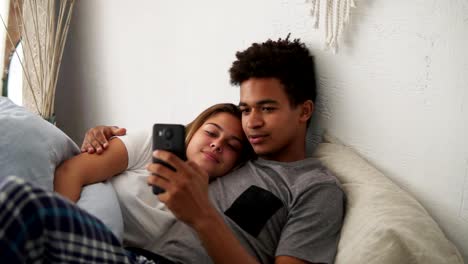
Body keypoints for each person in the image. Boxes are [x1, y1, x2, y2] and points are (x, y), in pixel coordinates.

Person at [0, 36, 345, 264]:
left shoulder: (315, 188)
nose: (251, 122)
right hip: (134, 256)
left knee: (22, 207)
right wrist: (100, 137)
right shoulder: (236, 157)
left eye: (267, 109)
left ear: (303, 111)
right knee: (17, 201)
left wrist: (203, 216)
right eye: (246, 109)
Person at [54, 103, 254, 251]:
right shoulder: (152, 145)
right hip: (74, 226)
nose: (217, 144)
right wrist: (61, 242)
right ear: (193, 130)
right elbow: (71, 172)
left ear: (237, 163)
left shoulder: (215, 204)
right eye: (211, 132)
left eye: (232, 146)